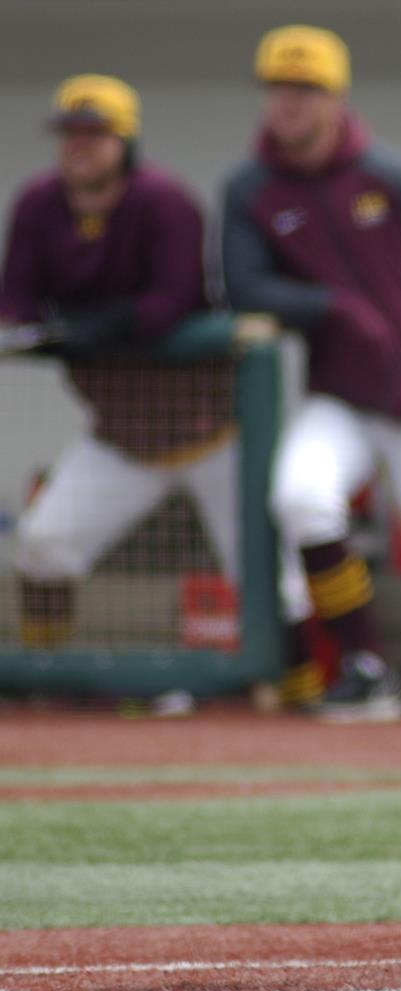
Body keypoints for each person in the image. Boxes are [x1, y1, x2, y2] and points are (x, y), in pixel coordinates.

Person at [222, 25, 401, 721]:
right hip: (340, 390)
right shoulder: (251, 188)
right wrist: (331, 306)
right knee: (301, 497)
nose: (289, 103)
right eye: (279, 89)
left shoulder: (389, 173)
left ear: (336, 97)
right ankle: (365, 668)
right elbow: (243, 286)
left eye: (306, 89)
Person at [0, 75, 232, 649]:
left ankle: (301, 693)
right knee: (42, 542)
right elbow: (15, 298)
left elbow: (174, 299)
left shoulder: (164, 200)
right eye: (69, 133)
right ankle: (47, 673)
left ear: (125, 141)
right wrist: (39, 331)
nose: (79, 145)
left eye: (96, 133)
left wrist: (95, 328)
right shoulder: (38, 203)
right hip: (123, 433)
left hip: (216, 430)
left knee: (269, 575)